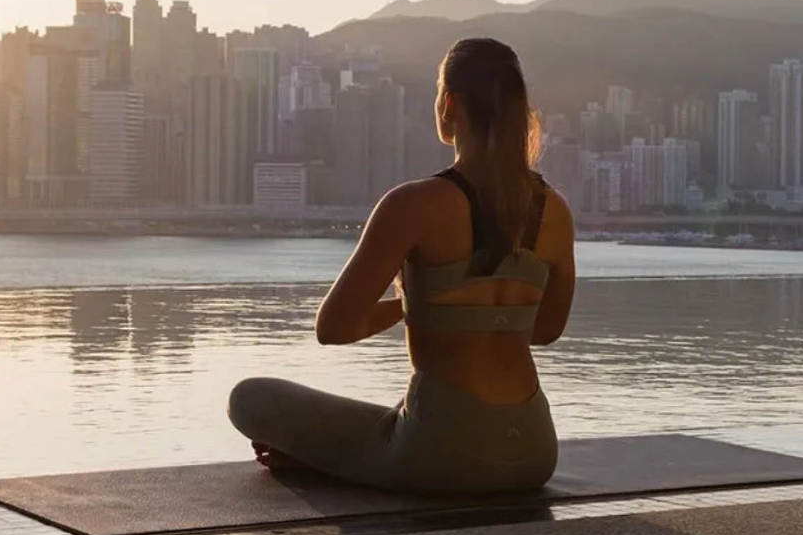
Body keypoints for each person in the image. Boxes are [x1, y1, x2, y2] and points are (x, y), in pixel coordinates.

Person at [227, 37, 576, 496]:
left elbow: (334, 327)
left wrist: (413, 301)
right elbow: (544, 330)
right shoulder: (554, 210)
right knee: (389, 420)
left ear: (448, 104)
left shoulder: (413, 205)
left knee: (249, 397)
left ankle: (317, 459)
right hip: (534, 451)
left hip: (442, 454)